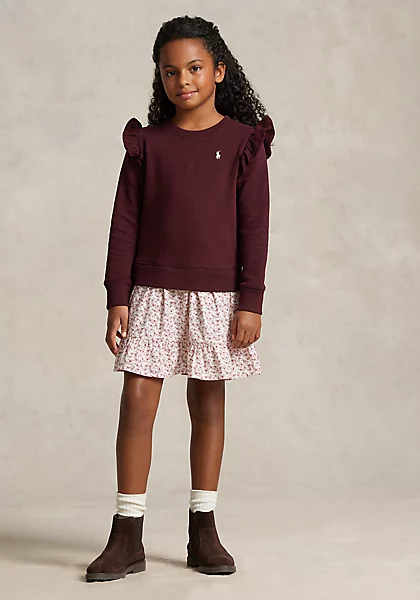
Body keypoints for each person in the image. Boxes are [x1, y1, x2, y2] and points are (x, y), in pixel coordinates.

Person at [85, 14, 275, 582]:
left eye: (194, 68)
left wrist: (251, 299)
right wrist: (117, 296)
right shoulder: (148, 145)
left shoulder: (243, 144)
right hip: (151, 292)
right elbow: (124, 224)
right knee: (137, 400)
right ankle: (127, 533)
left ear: (218, 71)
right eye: (170, 72)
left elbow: (254, 226)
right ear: (160, 78)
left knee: (208, 402)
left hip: (217, 295)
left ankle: (203, 528)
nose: (183, 80)